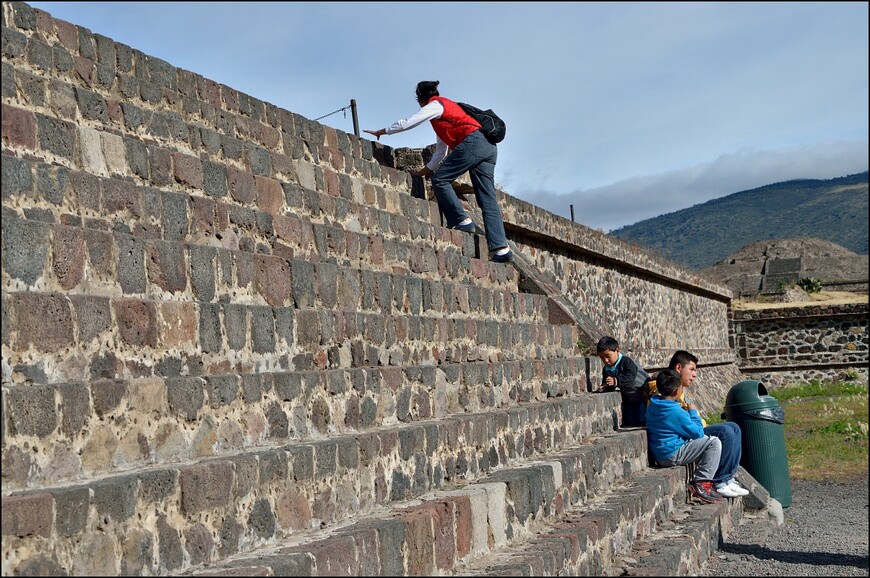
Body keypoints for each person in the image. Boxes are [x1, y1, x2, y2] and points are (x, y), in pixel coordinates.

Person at [364, 80, 512, 263]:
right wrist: (422, 172)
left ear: (420, 99)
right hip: (489, 147)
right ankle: (501, 249)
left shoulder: (435, 105)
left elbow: (408, 123)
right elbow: (440, 153)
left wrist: (383, 131)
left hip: (474, 142)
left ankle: (462, 221)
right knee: (487, 198)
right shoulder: (445, 115)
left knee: (441, 179)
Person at [649, 350, 749, 498]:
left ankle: (727, 478)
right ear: (678, 368)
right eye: (692, 369)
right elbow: (696, 431)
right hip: (677, 445)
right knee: (720, 437)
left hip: (676, 441)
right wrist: (693, 412)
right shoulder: (668, 396)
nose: (694, 374)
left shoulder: (659, 401)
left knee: (733, 428)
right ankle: (715, 481)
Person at [646, 369, 723, 504]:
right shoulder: (675, 411)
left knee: (706, 441)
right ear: (677, 391)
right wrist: (693, 412)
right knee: (713, 443)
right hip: (672, 455)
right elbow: (698, 432)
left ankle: (704, 481)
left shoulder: (653, 405)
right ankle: (701, 482)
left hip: (661, 453)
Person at [595, 336, 650, 427]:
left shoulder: (626, 362)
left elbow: (631, 376)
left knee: (641, 415)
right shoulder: (607, 369)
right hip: (627, 395)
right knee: (630, 417)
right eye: (602, 358)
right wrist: (604, 386)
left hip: (639, 391)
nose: (606, 360)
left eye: (608, 356)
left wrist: (616, 381)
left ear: (617, 351)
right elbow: (609, 383)